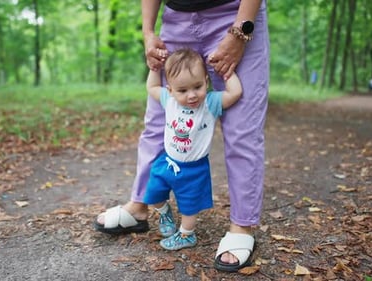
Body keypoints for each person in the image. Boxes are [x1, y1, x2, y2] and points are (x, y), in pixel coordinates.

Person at [94, 0, 269, 272]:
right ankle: (140, 205)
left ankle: (242, 226)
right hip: (176, 19)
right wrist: (148, 32)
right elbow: (155, 91)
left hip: (234, 13)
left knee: (242, 129)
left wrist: (241, 29)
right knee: (158, 121)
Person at [144, 48, 242, 251]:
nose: (191, 95)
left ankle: (187, 235)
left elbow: (235, 93)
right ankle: (164, 213)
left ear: (206, 81)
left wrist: (227, 74)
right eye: (182, 90)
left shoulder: (210, 102)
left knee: (190, 206)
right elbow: (152, 86)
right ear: (170, 89)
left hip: (194, 169)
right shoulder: (168, 100)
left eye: (197, 86)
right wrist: (155, 68)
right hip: (168, 161)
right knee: (153, 193)